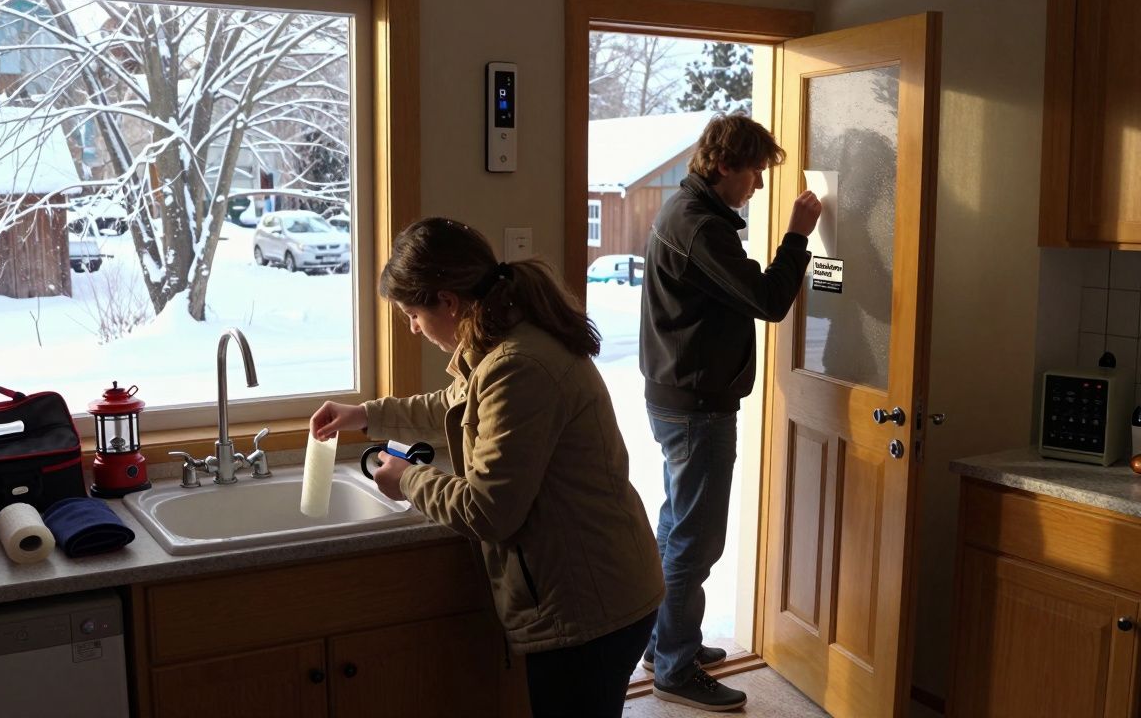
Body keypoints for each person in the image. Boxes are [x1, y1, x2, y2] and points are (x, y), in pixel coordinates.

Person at [311, 217, 664, 718]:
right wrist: (365, 415)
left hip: (590, 603)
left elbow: (490, 510)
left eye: (413, 313)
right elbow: (451, 405)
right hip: (595, 586)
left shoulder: (517, 365)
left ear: (448, 302)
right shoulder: (503, 340)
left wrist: (408, 479)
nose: (412, 327)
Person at [639, 114, 821, 712]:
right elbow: (768, 300)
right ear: (723, 166)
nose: (760, 186)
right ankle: (674, 668)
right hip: (696, 411)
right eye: (755, 171)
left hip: (678, 402)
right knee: (696, 539)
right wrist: (798, 234)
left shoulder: (689, 213)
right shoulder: (700, 229)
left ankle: (665, 641)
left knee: (677, 528)